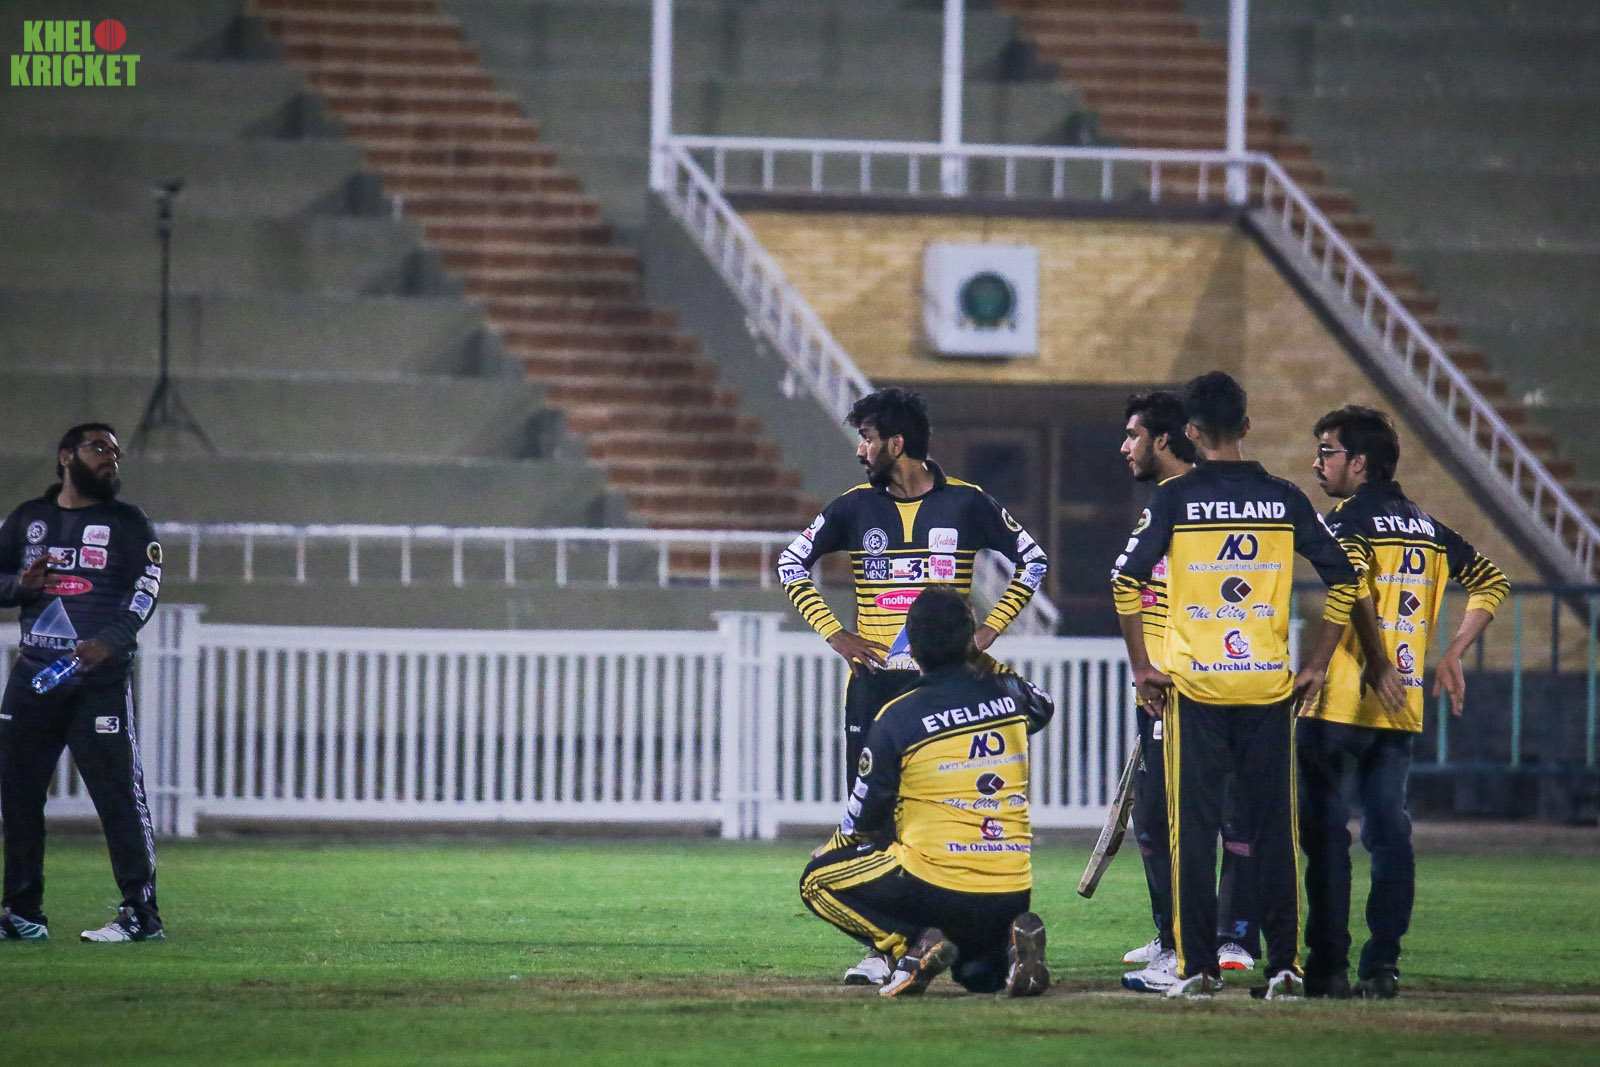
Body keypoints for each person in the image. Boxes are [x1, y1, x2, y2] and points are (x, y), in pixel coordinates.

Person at [1109, 372, 1402, 999]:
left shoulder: (1174, 499)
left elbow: (1124, 580)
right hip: (1269, 691)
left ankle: (1197, 968)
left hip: (1196, 690)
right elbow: (1345, 579)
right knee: (1273, 833)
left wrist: (1142, 667)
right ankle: (1285, 966)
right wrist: (1316, 663)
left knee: (1193, 834)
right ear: (1245, 426)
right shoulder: (1285, 497)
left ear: (1191, 432)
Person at [776, 387, 1048, 985]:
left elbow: (1035, 560)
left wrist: (989, 631)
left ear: (896, 444)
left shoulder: (968, 502)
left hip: (947, 684)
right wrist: (836, 634)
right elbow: (789, 563)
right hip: (875, 685)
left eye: (867, 438)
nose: (859, 450)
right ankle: (899, 949)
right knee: (873, 815)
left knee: (946, 806)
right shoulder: (852, 508)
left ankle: (924, 942)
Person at [1301, 405, 1508, 999]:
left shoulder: (1346, 521)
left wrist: (1376, 661)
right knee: (1390, 832)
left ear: (1360, 462)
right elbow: (1492, 581)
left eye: (1328, 451)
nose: (1318, 463)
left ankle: (1328, 967)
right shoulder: (1428, 528)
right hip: (1399, 710)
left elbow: (1352, 587)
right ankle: (1382, 965)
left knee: (1326, 837)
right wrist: (1454, 651)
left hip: (1341, 702)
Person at [798, 586, 1054, 998]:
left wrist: (831, 849)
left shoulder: (899, 716)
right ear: (970, 639)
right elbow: (1044, 704)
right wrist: (976, 656)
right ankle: (1008, 949)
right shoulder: (1011, 694)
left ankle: (912, 947)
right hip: (1011, 888)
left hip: (934, 886)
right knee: (976, 976)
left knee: (815, 881)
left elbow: (864, 818)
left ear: (912, 649)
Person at [1114, 392, 1259, 993]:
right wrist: (1145, 670)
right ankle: (1172, 934)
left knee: (1226, 817)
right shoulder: (1162, 505)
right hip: (1159, 694)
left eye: (1134, 435)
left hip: (1208, 690)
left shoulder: (1203, 506)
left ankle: (1231, 937)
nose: (1125, 447)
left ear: (1167, 440)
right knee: (1153, 820)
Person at [0, 423, 166, 943]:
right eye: (99, 448)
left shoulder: (129, 523)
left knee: (119, 797)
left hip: (99, 683)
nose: (110, 458)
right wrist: (17, 585)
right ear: (65, 456)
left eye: (115, 452)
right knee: (18, 797)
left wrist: (110, 641)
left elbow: (146, 588)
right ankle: (22, 914)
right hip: (34, 679)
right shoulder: (28, 519)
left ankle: (141, 915)